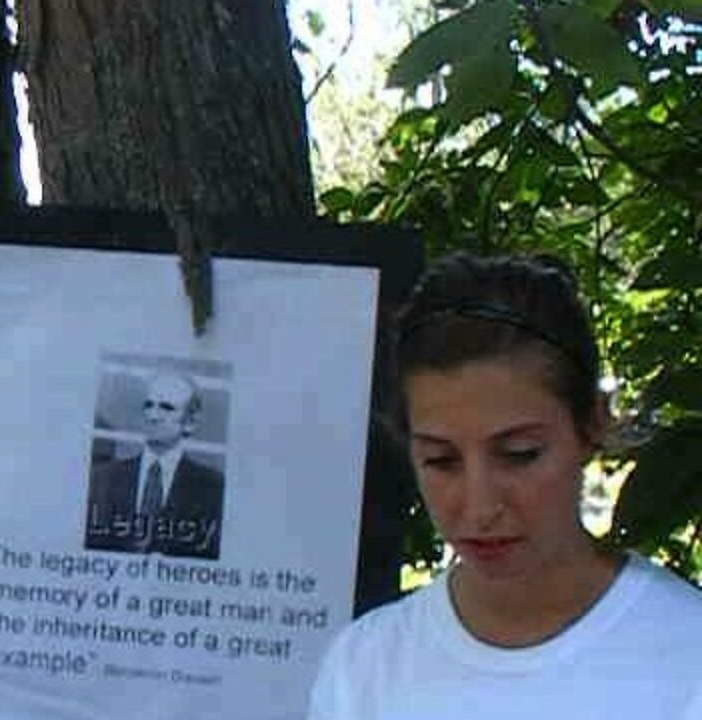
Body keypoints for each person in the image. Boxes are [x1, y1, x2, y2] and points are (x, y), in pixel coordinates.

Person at [309, 253, 702, 718]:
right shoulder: (364, 667)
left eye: (520, 455)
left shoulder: (684, 656)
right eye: (441, 460)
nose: (480, 507)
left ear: (593, 424)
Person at [84, 371, 225, 559]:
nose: (152, 415)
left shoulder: (213, 488)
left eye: (166, 408)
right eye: (148, 405)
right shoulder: (102, 479)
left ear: (190, 422)